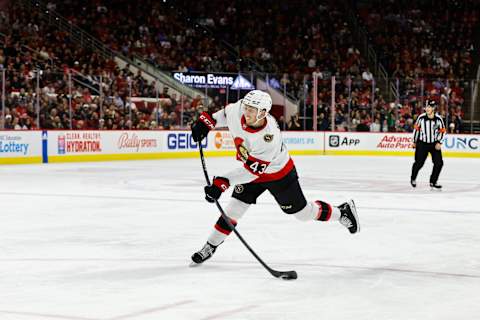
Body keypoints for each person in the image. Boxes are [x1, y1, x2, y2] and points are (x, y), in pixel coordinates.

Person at [190, 90, 360, 265]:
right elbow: (223, 115)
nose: (246, 112)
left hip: (279, 175)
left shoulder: (268, 138)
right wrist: (206, 123)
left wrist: (221, 183)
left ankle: (342, 212)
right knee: (234, 209)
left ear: (263, 113)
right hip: (253, 171)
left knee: (302, 214)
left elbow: (251, 172)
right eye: (246, 107)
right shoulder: (238, 109)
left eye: (252, 110)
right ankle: (210, 246)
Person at [410, 100, 446, 189]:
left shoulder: (438, 119)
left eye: (429, 107)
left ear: (433, 108)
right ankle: (413, 178)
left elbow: (442, 131)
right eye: (426, 107)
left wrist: (439, 142)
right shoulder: (421, 118)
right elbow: (416, 130)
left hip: (434, 144)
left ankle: (433, 181)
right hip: (422, 144)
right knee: (419, 163)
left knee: (439, 163)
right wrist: (414, 142)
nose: (427, 109)